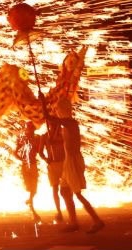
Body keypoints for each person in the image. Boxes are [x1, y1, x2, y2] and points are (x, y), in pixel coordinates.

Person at [57, 99, 104, 234]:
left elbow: (52, 119)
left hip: (73, 161)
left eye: (58, 109)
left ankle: (97, 220)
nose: (56, 111)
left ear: (63, 109)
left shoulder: (71, 122)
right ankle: (73, 222)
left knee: (77, 194)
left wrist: (44, 105)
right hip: (68, 161)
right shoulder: (66, 123)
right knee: (64, 191)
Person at [14, 121, 41, 223]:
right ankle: (32, 209)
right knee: (32, 188)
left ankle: (30, 203)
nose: (30, 131)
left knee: (33, 189)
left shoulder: (36, 138)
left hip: (32, 165)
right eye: (29, 129)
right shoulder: (23, 139)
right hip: (28, 166)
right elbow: (15, 152)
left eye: (31, 129)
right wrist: (22, 159)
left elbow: (38, 150)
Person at [40, 119, 65, 223]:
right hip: (52, 165)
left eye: (55, 124)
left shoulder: (63, 134)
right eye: (52, 124)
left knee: (66, 189)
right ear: (49, 125)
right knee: (55, 188)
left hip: (63, 164)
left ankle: (69, 209)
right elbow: (40, 152)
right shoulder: (45, 136)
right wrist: (46, 159)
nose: (53, 126)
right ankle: (59, 211)